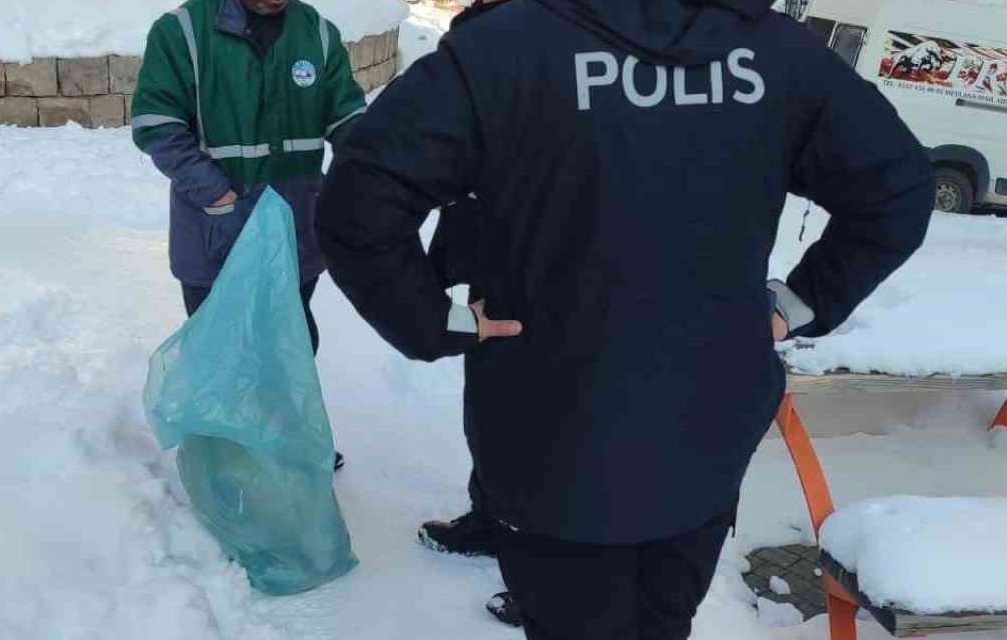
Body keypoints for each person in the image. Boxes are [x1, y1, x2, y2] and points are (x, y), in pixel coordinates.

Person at [317, 0, 933, 638]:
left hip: (556, 441)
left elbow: (357, 205)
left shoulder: (503, 48)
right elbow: (900, 188)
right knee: (660, 624)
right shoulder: (780, 56)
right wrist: (798, 303)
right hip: (700, 435)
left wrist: (430, 322)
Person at [131, 0, 366, 470]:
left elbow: (349, 119)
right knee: (221, 352)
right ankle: (226, 461)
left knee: (291, 343)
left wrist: (383, 170)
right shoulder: (182, 32)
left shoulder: (315, 32)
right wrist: (217, 195)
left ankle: (287, 442)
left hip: (295, 233)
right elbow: (156, 124)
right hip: (215, 234)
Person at [418, 0, 522, 626]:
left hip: (558, 277)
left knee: (548, 428)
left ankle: (546, 573)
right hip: (493, 262)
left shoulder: (573, 58)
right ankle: (491, 520)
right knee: (490, 408)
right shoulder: (482, 32)